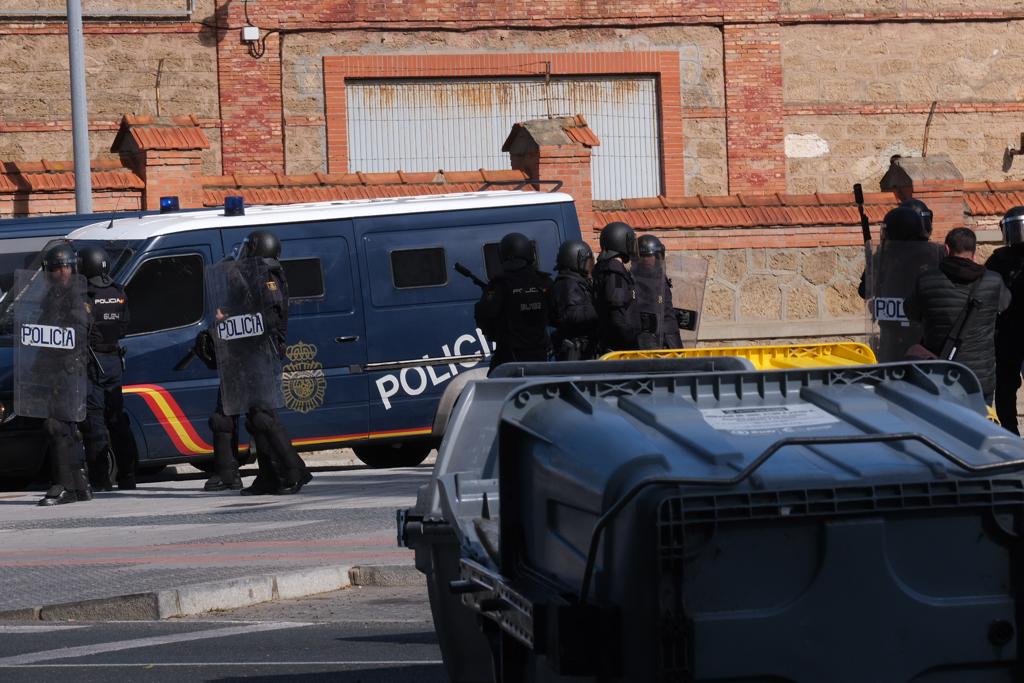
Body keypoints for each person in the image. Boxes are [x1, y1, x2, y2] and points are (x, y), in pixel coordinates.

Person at [237, 230, 311, 495]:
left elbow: (267, 318)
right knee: (255, 418)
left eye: (250, 247)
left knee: (265, 415)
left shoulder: (267, 278)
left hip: (262, 352)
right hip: (250, 353)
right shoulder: (256, 274)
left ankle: (295, 471)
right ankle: (268, 476)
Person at [905, 228, 1009, 404]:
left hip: (940, 376)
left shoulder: (926, 279)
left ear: (946, 249)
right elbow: (1004, 304)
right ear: (974, 253)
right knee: (979, 427)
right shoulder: (994, 281)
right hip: (980, 379)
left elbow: (911, 313)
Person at [21, 244, 92, 505]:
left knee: (57, 426)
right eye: (56, 269)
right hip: (54, 368)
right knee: (67, 428)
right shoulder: (51, 297)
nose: (61, 273)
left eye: (65, 268)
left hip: (69, 368)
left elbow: (80, 331)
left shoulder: (75, 296)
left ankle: (65, 486)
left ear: (73, 269)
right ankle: (81, 485)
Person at [77, 245, 138, 491]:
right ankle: (129, 474)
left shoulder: (85, 294)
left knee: (95, 420)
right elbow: (125, 325)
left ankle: (100, 478)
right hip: (113, 359)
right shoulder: (118, 291)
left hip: (92, 361)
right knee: (117, 419)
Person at [858, 205, 944, 361]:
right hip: (901, 334)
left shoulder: (886, 256)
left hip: (913, 336)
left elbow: (863, 290)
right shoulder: (937, 253)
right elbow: (865, 290)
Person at [474, 232, 553, 372]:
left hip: (509, 355)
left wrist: (495, 333)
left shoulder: (500, 284)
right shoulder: (544, 281)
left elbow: (485, 314)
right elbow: (556, 314)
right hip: (540, 354)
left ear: (505, 254)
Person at [986, 206, 1024, 433]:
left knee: (1005, 389)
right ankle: (1009, 431)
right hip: (1007, 332)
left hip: (1007, 332)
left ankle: (1010, 434)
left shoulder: (998, 259)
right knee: (1005, 388)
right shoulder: (999, 259)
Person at [593, 221, 640, 353]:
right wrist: (630, 339)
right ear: (621, 242)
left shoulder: (605, 269)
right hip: (620, 346)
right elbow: (617, 312)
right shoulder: (615, 273)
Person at [548, 240, 598, 361]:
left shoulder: (578, 282)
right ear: (576, 261)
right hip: (575, 351)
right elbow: (571, 314)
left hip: (584, 348)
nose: (589, 267)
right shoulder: (567, 284)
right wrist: (600, 309)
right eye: (587, 262)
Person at [635, 234, 684, 349]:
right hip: (649, 341)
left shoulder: (661, 277)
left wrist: (677, 315)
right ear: (639, 257)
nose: (650, 260)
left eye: (654, 256)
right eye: (646, 256)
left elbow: (664, 305)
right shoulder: (635, 280)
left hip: (670, 338)